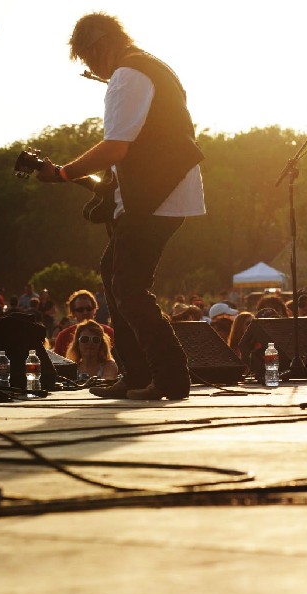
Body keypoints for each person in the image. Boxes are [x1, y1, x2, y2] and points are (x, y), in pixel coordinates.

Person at [37, 13, 205, 400]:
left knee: (128, 285)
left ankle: (170, 378)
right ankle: (137, 372)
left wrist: (63, 173)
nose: (90, 67)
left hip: (156, 196)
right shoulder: (149, 67)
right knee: (113, 273)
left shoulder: (128, 74)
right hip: (161, 192)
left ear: (100, 44)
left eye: (87, 57)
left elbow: (116, 147)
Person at [54, 289, 114, 357]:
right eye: (80, 310)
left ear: (94, 309)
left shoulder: (108, 333)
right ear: (73, 313)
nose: (85, 312)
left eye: (88, 308)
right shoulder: (63, 336)